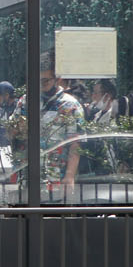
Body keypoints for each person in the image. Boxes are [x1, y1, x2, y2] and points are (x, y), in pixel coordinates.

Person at [36, 54, 83, 199]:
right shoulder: (25, 102)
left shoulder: (71, 105)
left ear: (58, 79)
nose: (41, 85)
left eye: (46, 81)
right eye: (38, 81)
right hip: (30, 176)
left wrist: (69, 175)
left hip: (57, 174)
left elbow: (76, 143)